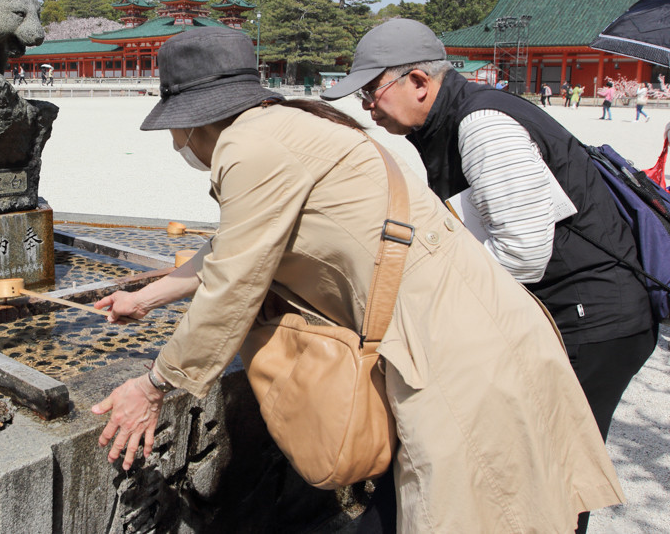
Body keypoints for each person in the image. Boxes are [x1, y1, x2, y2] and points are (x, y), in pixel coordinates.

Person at [92, 27, 623, 533]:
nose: (179, 142)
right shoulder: (286, 125)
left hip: (449, 346)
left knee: (472, 508)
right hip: (468, 322)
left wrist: (154, 385)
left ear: (195, 118)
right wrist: (153, 294)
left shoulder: (248, 147)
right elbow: (241, 243)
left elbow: (232, 285)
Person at [322, 19, 657, 532]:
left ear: (418, 81)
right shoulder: (455, 117)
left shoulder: (482, 125)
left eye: (372, 91)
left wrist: (435, 307)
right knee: (539, 467)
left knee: (553, 470)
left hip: (592, 319)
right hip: (567, 310)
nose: (367, 106)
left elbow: (523, 253)